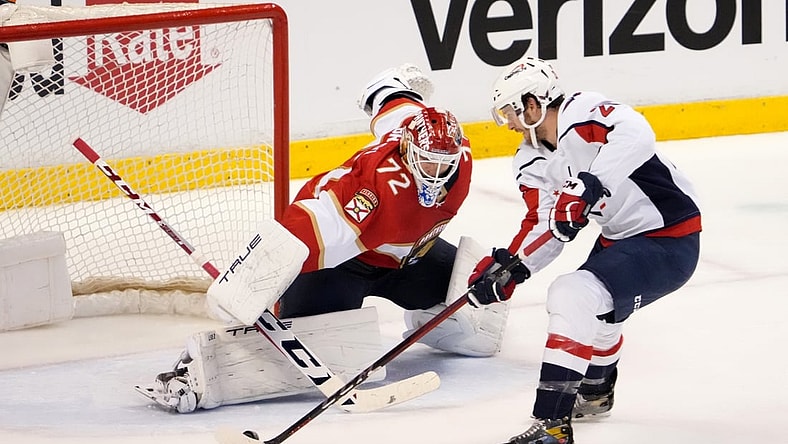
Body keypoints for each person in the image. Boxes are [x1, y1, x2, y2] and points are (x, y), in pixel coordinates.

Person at [141, 64, 510, 413]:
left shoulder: (450, 150)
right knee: (323, 353)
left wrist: (390, 90)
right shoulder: (375, 187)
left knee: (484, 325)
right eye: (426, 162)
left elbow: (400, 110)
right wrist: (253, 280)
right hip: (341, 264)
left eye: (443, 164)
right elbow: (314, 226)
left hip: (406, 259)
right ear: (407, 150)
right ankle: (195, 377)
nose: (436, 173)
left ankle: (429, 321)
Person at [465, 56, 701, 444]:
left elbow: (637, 133)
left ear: (533, 103)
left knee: (573, 293)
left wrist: (590, 182)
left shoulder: (584, 110)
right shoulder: (530, 159)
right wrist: (512, 268)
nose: (507, 122)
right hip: (620, 236)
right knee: (602, 312)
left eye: (510, 110)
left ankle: (552, 425)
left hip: (671, 236)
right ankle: (594, 392)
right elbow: (545, 225)